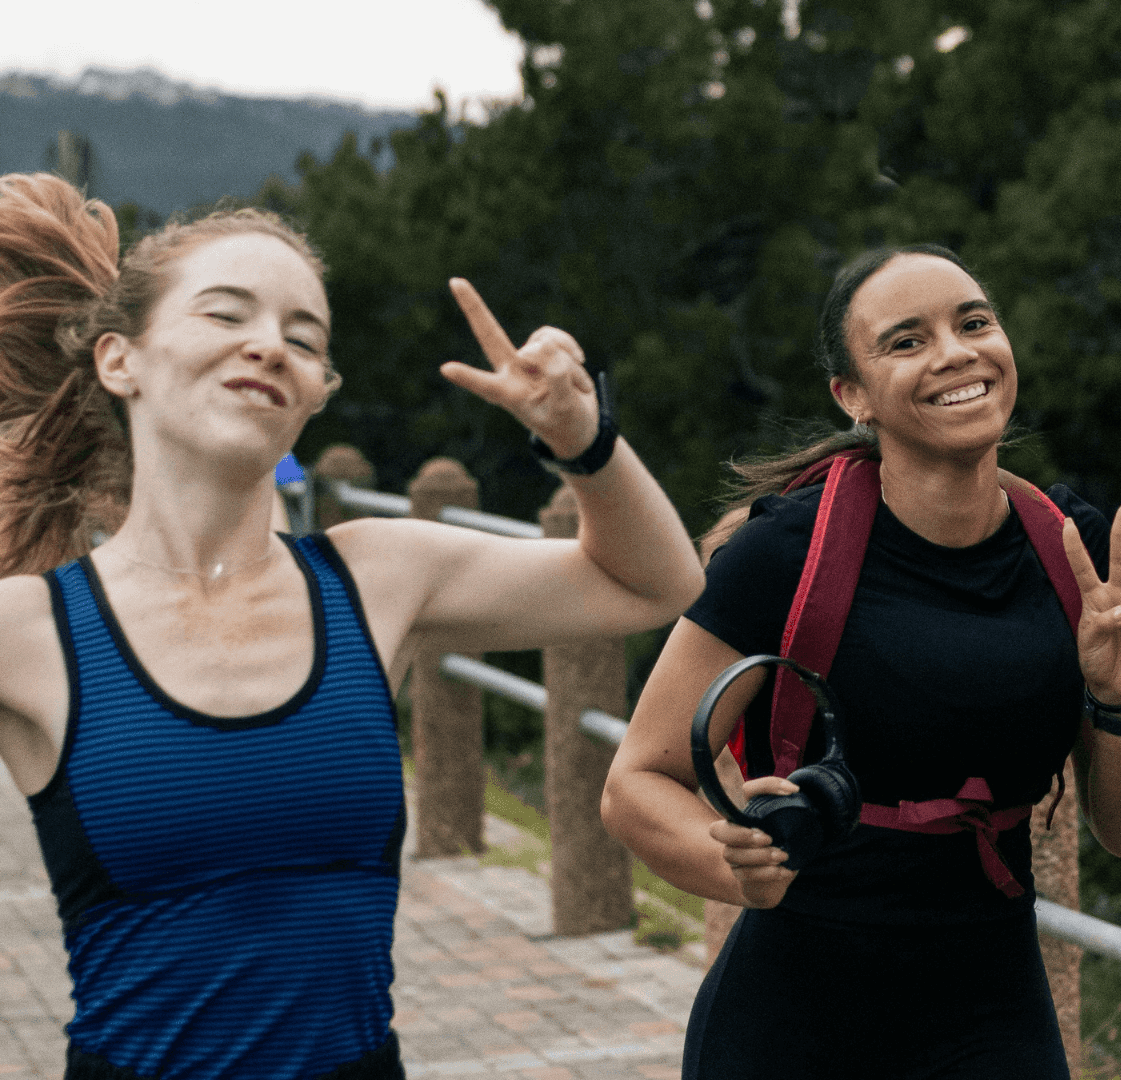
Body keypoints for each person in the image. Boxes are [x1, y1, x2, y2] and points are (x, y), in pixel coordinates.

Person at [0, 172, 705, 1079]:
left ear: (313, 394)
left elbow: (651, 584)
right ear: (119, 360)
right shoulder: (30, 629)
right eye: (226, 314)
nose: (268, 345)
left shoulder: (377, 577)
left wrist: (582, 438)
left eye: (303, 336)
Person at [600, 245, 1121, 1079]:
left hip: (994, 1014)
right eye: (906, 341)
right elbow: (636, 782)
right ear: (853, 395)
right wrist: (730, 859)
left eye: (974, 322)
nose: (955, 352)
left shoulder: (1073, 551)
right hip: (792, 1025)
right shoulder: (781, 557)